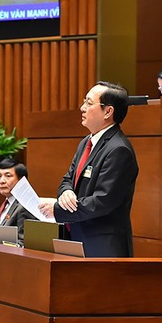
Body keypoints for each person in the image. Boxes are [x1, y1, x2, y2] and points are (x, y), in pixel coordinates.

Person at [39, 81, 139, 257]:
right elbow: (67, 179)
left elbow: (102, 202)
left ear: (108, 111)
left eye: (89, 103)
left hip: (103, 247)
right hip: (78, 239)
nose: (82, 108)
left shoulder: (119, 149)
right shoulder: (86, 142)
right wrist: (66, 192)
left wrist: (57, 210)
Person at [0, 158, 35, 242]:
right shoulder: (7, 203)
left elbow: (23, 242)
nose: (2, 181)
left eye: (8, 176)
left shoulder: (25, 206)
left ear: (21, 180)